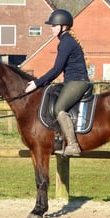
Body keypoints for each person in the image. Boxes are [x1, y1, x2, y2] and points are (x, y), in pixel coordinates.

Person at [25, 9, 90, 156]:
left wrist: (37, 83)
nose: (52, 28)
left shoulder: (66, 43)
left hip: (77, 82)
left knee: (59, 108)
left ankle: (73, 145)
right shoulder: (65, 41)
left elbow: (57, 69)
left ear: (63, 27)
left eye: (54, 25)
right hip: (70, 81)